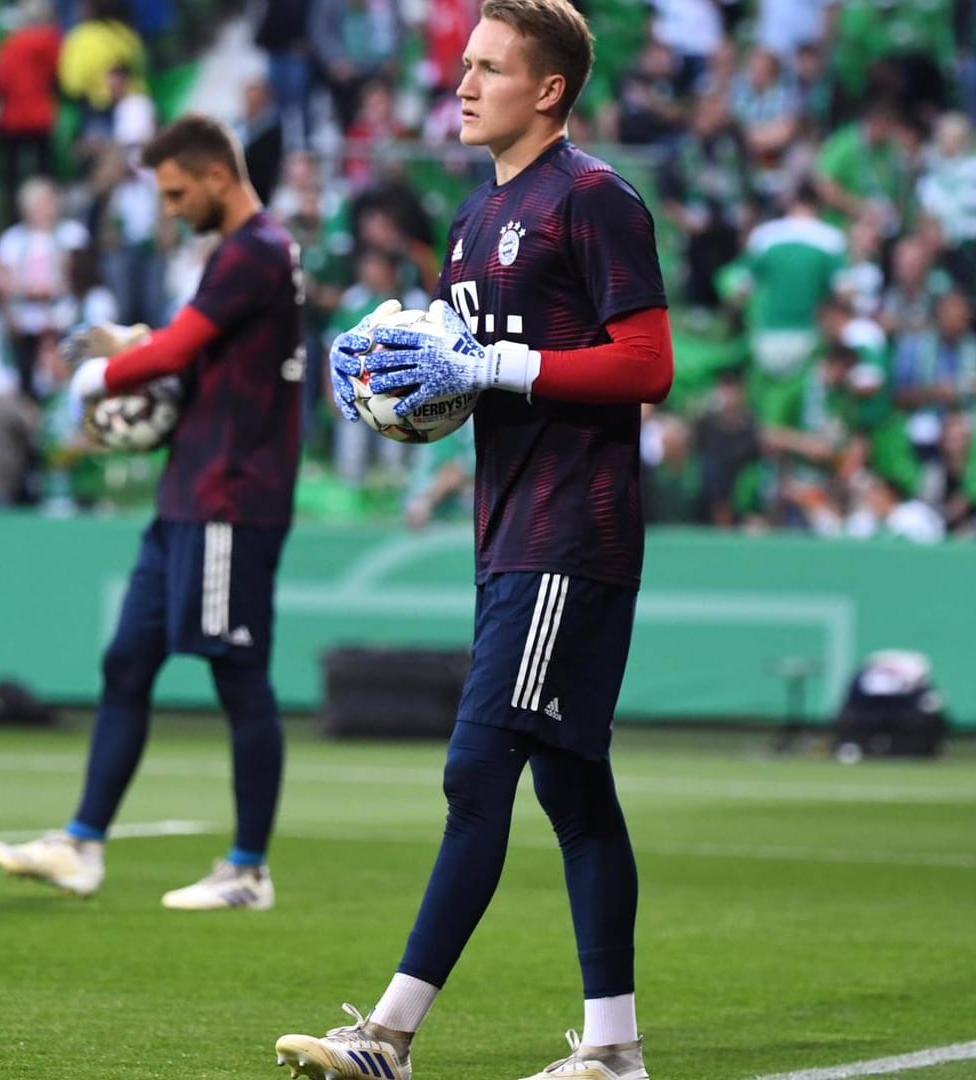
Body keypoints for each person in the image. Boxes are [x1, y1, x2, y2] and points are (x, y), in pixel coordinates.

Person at [276, 2, 671, 1077]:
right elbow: (465, 376)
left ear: (548, 90)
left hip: (568, 533)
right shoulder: (469, 218)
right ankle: (614, 1054)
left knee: (475, 768)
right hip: (511, 530)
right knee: (572, 788)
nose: (462, 83)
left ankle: (391, 1035)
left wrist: (491, 369)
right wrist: (397, 386)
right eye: (463, 63)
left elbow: (646, 364)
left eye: (489, 67)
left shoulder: (593, 200)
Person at [0, 114, 305, 909]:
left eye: (175, 191)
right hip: (190, 491)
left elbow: (179, 352)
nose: (168, 207)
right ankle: (82, 845)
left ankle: (248, 869)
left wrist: (101, 377)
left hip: (231, 494)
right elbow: (196, 350)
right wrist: (140, 342)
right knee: (127, 661)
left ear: (217, 178)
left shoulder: (254, 249)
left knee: (238, 672)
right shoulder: (241, 254)